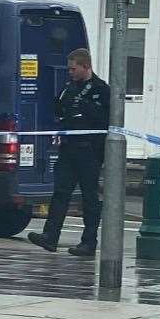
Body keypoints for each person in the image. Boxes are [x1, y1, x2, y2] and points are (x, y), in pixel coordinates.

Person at [28, 48, 110, 257]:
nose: (70, 72)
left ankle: (89, 242)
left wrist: (83, 106)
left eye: (74, 69)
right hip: (69, 148)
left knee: (89, 197)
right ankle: (50, 236)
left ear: (85, 66)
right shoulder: (69, 88)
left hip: (89, 151)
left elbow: (102, 119)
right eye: (69, 69)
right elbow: (59, 110)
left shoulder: (100, 89)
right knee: (61, 193)